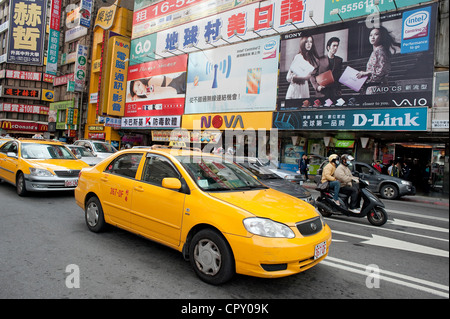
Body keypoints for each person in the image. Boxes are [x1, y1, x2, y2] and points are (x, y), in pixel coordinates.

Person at [356, 26, 400, 95]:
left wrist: (366, 73)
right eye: (370, 35)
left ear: (382, 37)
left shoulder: (380, 51)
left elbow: (381, 71)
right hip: (374, 87)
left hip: (376, 88)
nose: (372, 37)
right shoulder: (377, 51)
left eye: (376, 34)